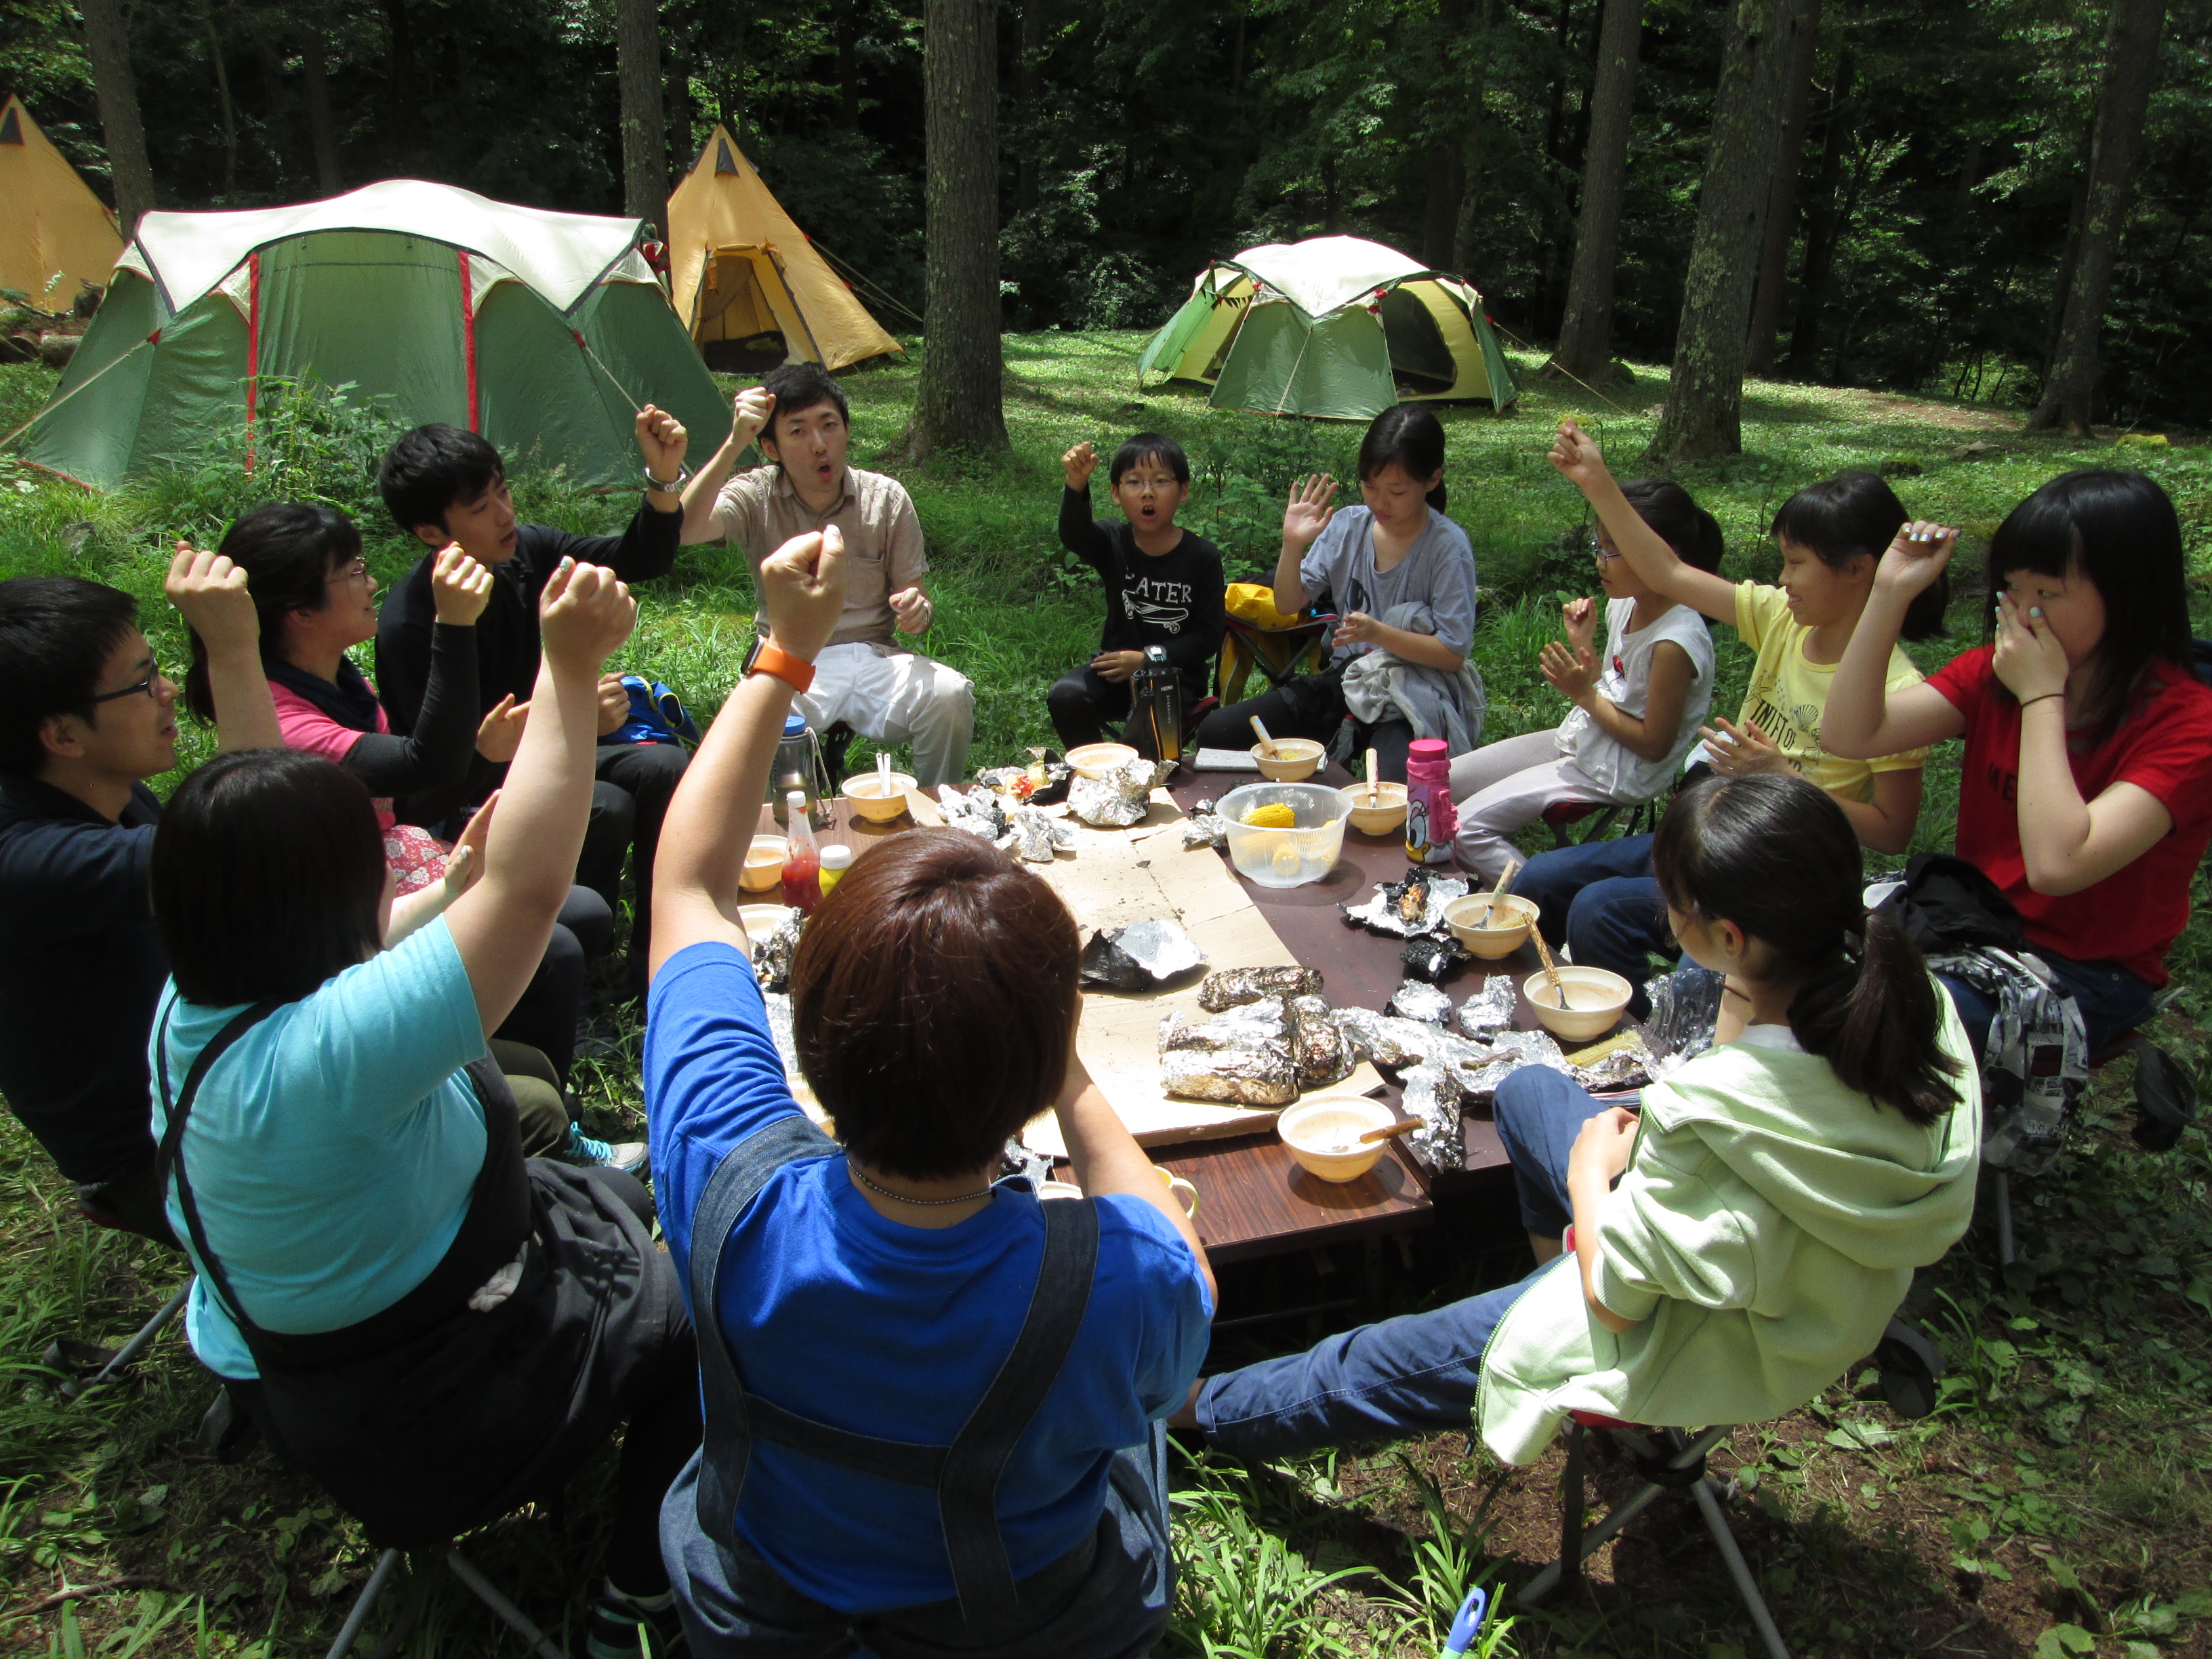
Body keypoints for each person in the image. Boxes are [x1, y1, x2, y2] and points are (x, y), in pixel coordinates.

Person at [644, 525, 1214, 1654]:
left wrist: (782, 650)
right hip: (1020, 1621)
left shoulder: (724, 1165)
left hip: (765, 1613)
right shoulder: (1113, 1280)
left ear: (806, 1050)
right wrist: (1065, 1068)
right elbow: (1180, 1280)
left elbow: (685, 883)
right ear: (1031, 1073)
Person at [150, 558, 699, 1659]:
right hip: (426, 1405)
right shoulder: (335, 1050)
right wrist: (569, 662)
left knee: (589, 1166)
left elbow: (267, 804)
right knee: (705, 1301)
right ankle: (635, 1593)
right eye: (370, 873)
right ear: (326, 910)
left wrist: (443, 894)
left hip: (310, 1358)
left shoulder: (195, 998)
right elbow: (534, 890)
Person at [1184, 772, 1980, 1463]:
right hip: (1824, 1292)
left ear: (1729, 937)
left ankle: (1202, 1415)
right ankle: (1545, 1271)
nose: (1665, 917)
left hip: (1709, 1334)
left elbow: (1616, 1298)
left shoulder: (1705, 1110)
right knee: (1533, 1088)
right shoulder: (1914, 1004)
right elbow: (1749, 1092)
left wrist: (1587, 1177)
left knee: (1384, 1356)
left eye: (1672, 903)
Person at [180, 501, 638, 1165]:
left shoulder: (334, 674)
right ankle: (536, 1127)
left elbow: (411, 790)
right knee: (556, 943)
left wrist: (484, 758)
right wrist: (492, 641)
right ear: (299, 613)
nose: (370, 582)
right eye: (353, 571)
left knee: (579, 919)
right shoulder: (294, 721)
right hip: (372, 885)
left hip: (391, 867)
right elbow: (427, 768)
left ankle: (537, 1077)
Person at [1516, 423, 1940, 1009]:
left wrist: (1787, 779)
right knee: (1537, 881)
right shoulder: (1782, 619)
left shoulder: (1898, 690)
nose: (1783, 579)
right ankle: (1618, 1033)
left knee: (1602, 913)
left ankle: (1652, 1051)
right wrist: (1596, 480)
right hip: (1707, 832)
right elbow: (1667, 573)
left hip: (1775, 878)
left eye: (1796, 563)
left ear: (1858, 570)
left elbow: (1894, 830)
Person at [1824, 470, 2212, 1055]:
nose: (2023, 614)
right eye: (2013, 589)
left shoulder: (2189, 725)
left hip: (2088, 970)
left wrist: (2042, 697)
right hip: (1969, 922)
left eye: (2048, 594)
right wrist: (1889, 594)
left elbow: (2059, 864)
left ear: (2130, 593)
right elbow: (1851, 733)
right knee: (1790, 954)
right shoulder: (1996, 673)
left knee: (1871, 1016)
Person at [0, 549, 281, 1244]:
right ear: (63, 734)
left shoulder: (110, 797)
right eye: (143, 682)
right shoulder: (28, 862)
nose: (165, 693)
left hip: (221, 1070)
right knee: (511, 1108)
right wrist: (234, 651)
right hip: (161, 1149)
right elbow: (262, 844)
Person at [375, 406, 693, 988]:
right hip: (474, 794)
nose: (505, 514)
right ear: (430, 533)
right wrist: (564, 719)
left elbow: (639, 560)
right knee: (606, 804)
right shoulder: (413, 625)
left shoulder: (524, 556)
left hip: (542, 757)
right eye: (480, 508)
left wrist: (663, 482)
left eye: (502, 492)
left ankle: (660, 951)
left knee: (666, 765)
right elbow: (428, 782)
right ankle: (568, 957)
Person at [678, 363, 976, 787]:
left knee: (949, 695)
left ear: (846, 430)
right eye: (797, 431)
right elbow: (686, 529)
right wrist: (733, 443)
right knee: (762, 722)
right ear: (771, 447)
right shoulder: (755, 494)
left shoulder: (886, 498)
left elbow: (919, 597)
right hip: (792, 659)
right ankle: (797, 829)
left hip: (876, 656)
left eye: (829, 425)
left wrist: (918, 610)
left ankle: (939, 809)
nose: (820, 445)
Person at [1445, 480, 1721, 881]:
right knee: (1441, 780)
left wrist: (1585, 696)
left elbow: (1654, 745)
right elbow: (1615, 685)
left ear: (1665, 554)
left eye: (1613, 550)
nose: (1600, 562)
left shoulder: (1674, 643)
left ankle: (1540, 915)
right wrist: (1584, 646)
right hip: (1588, 737)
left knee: (1465, 831)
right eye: (1599, 547)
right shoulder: (1626, 603)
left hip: (1623, 769)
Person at [1189, 405, 1479, 783]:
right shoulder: (1348, 526)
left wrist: (1379, 634)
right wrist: (1292, 544)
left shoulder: (1447, 547)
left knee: (1396, 781)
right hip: (1347, 679)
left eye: (1396, 490)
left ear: (1432, 479)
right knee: (1217, 734)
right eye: (1369, 486)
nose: (1380, 502)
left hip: (1411, 689)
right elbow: (1288, 603)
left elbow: (1452, 655)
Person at [1048, 434, 1227, 749]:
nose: (1148, 492)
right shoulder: (1113, 541)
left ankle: (1144, 783)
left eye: (1160, 481)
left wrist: (1147, 659)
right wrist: (1076, 483)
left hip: (1175, 679)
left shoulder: (1202, 556)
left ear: (1183, 490)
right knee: (1066, 696)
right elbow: (1074, 535)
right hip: (1116, 674)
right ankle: (1097, 773)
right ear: (1116, 493)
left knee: (1145, 732)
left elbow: (1208, 637)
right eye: (1134, 482)